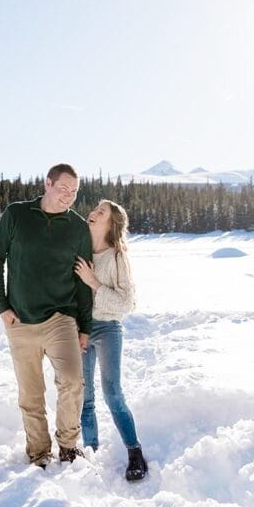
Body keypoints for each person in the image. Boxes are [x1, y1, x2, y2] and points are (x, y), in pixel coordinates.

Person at [0, 164, 94, 468]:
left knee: (73, 381)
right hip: (20, 321)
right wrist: (2, 307)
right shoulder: (16, 215)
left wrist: (84, 326)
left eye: (74, 192)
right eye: (63, 189)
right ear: (48, 183)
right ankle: (38, 453)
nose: (69, 197)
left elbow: (82, 283)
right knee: (31, 394)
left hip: (60, 318)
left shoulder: (77, 227)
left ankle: (69, 446)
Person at [73, 199, 148, 481]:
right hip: (80, 329)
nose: (93, 213)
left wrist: (93, 282)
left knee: (112, 393)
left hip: (107, 329)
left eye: (100, 212)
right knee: (84, 397)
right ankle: (90, 453)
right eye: (94, 209)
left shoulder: (117, 256)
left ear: (111, 223)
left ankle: (134, 452)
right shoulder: (79, 250)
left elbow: (127, 302)